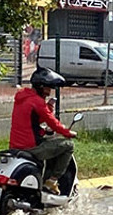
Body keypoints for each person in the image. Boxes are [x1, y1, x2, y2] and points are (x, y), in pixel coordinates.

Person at [10, 67, 77, 195]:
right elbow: (52, 122)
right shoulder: (37, 101)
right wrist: (68, 133)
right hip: (31, 147)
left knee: (52, 145)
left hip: (15, 146)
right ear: (41, 86)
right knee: (68, 146)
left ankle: (44, 183)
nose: (49, 92)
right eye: (48, 88)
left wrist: (49, 108)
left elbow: (34, 119)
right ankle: (52, 180)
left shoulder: (22, 98)